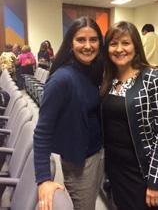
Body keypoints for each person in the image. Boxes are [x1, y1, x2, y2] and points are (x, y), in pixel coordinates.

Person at [101, 21, 158, 210]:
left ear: (136, 45)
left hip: (142, 173)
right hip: (114, 167)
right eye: (113, 44)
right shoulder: (108, 79)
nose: (119, 49)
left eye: (125, 43)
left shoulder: (154, 78)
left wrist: (156, 182)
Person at [33, 16, 104, 210]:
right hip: (80, 163)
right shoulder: (62, 79)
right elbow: (42, 132)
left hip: (97, 154)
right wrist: (43, 179)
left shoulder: (93, 70)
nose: (88, 45)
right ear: (70, 43)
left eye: (93, 39)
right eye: (81, 39)